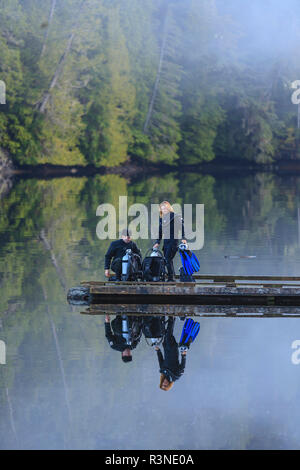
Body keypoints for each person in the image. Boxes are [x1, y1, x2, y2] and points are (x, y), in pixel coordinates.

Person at [153, 201, 187, 282]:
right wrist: (157, 242)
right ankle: (172, 276)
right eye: (162, 208)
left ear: (169, 208)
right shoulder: (162, 218)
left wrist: (183, 237)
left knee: (168, 259)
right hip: (166, 242)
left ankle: (171, 278)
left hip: (173, 241)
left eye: (165, 208)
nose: (164, 209)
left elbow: (181, 227)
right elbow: (160, 231)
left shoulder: (175, 216)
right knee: (167, 260)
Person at [155, 317, 186, 391]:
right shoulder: (175, 376)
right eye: (165, 385)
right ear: (169, 385)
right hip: (173, 350)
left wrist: (158, 351)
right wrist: (183, 355)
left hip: (165, 348)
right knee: (168, 334)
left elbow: (160, 360)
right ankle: (171, 318)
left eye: (163, 384)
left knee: (165, 333)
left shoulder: (163, 371)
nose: (164, 383)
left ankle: (172, 318)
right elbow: (182, 366)